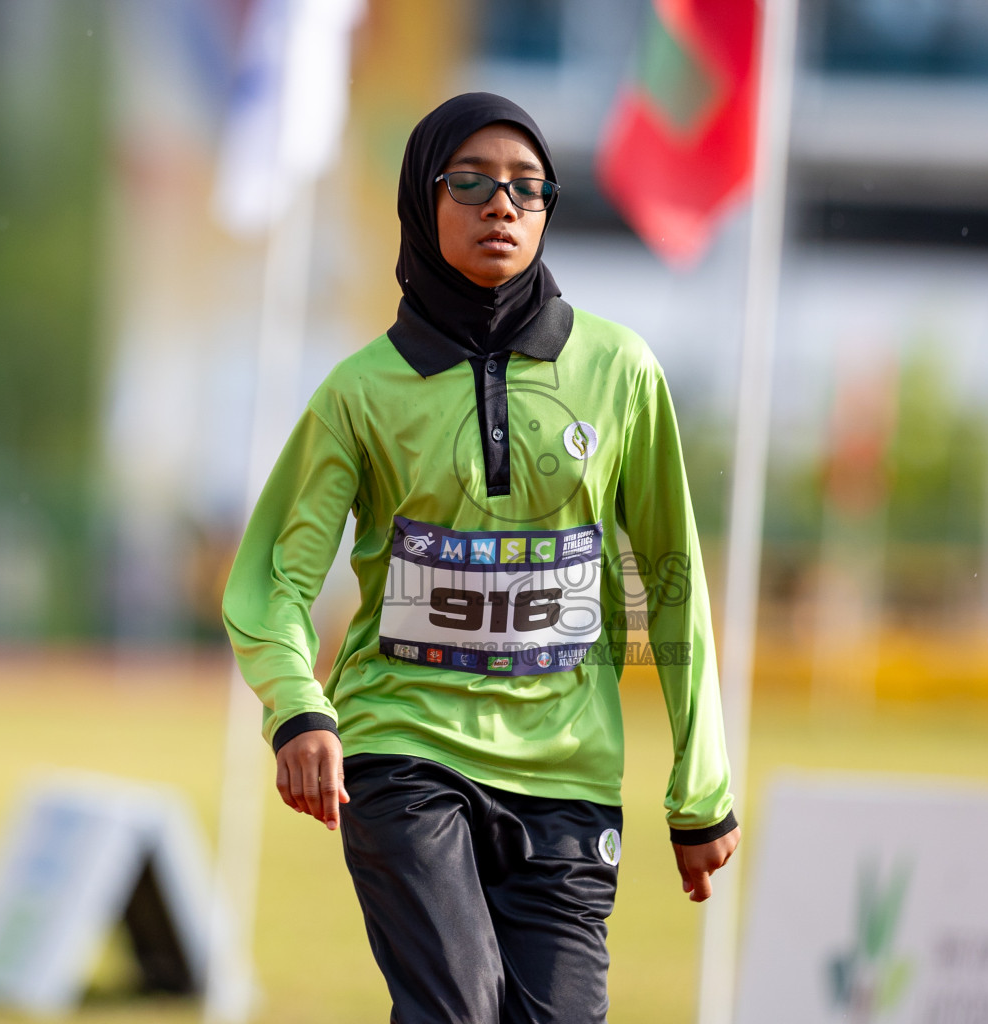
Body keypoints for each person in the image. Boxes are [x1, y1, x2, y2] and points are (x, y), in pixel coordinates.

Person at [222, 92, 739, 1024]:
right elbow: (274, 579)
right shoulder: (359, 393)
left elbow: (671, 582)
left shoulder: (621, 373)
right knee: (456, 1011)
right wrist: (298, 708)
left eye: (527, 188)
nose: (502, 204)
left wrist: (700, 789)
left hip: (569, 780)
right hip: (404, 751)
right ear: (424, 201)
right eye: (471, 181)